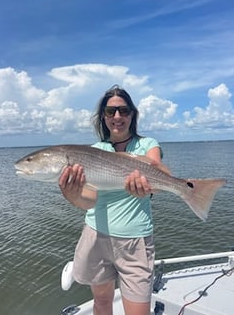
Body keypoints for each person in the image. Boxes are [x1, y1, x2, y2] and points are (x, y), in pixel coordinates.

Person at [59, 85, 170, 315]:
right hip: (95, 237)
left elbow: (159, 170)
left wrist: (151, 182)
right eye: (110, 112)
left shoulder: (148, 144)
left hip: (134, 241)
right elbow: (89, 200)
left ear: (132, 114)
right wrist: (72, 194)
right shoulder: (94, 151)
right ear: (103, 117)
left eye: (123, 110)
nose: (117, 117)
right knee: (101, 303)